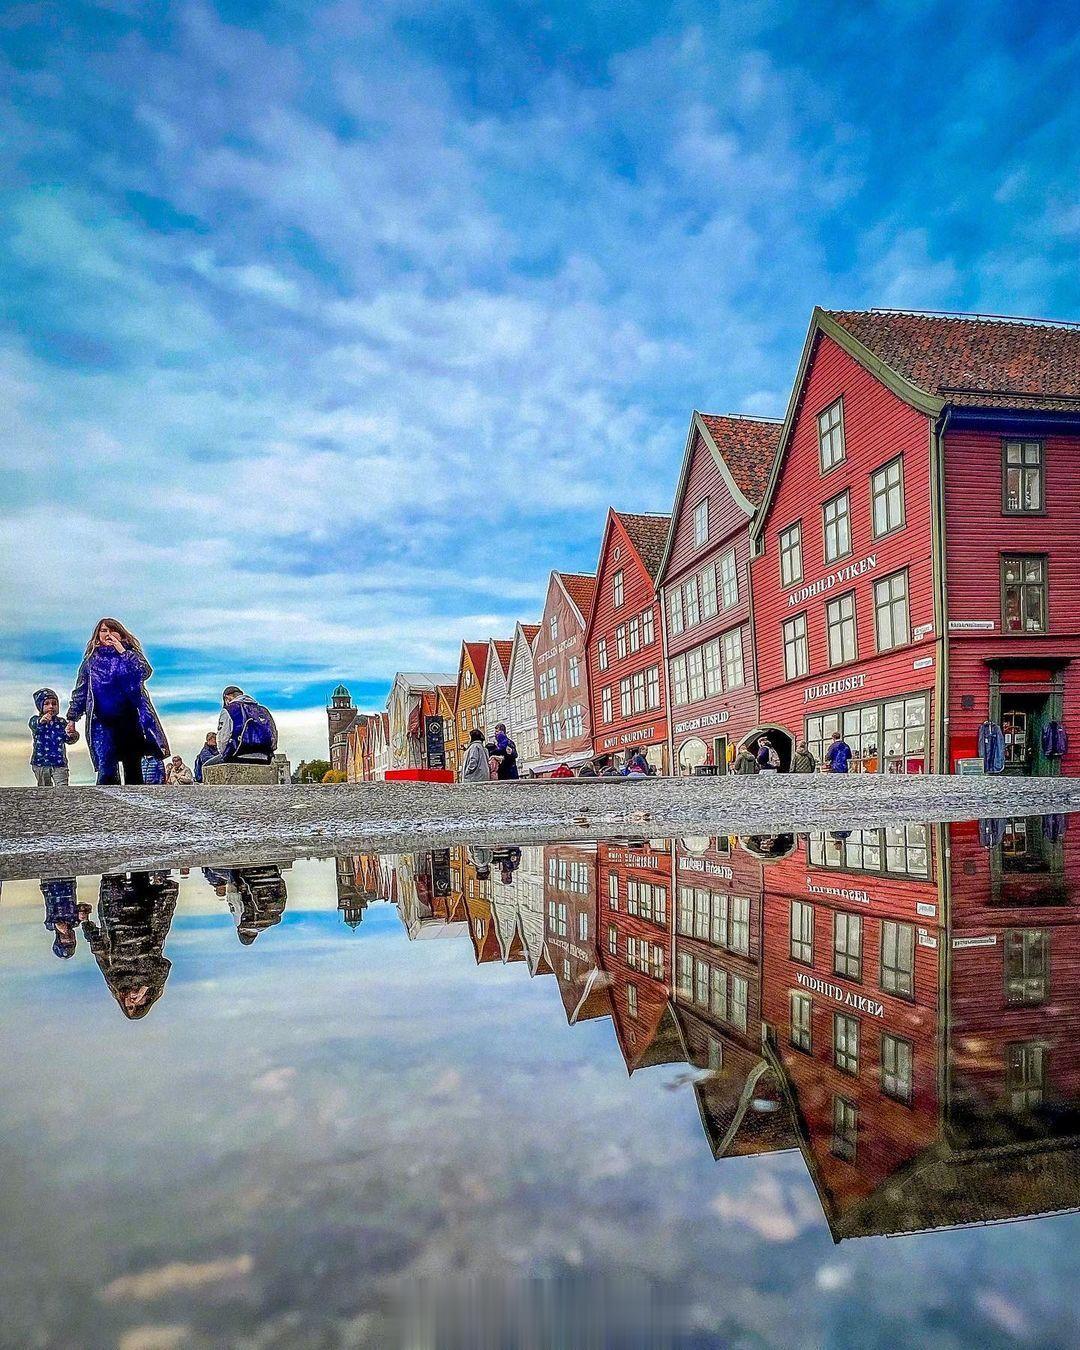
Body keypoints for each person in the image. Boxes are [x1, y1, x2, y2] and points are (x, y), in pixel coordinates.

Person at [66, 618, 168, 786]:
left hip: (130, 719)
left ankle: (134, 806)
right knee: (106, 765)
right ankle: (107, 806)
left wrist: (123, 652)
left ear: (120, 634)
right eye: (104, 631)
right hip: (102, 721)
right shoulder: (90, 662)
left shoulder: (130, 655)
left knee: (133, 766)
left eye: (113, 630)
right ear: (97, 636)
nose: (108, 634)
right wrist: (72, 718)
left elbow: (144, 672)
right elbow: (81, 692)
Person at [82, 872, 177, 1019]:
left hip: (114, 915)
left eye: (130, 1006)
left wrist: (87, 924)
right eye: (139, 1004)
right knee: (140, 870)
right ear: (147, 1001)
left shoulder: (115, 981)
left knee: (112, 873)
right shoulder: (154, 978)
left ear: (123, 1002)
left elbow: (99, 949)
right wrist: (145, 987)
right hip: (145, 913)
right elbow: (165, 966)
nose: (134, 1001)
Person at [208, 686, 278, 765]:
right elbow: (274, 735)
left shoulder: (229, 709)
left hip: (238, 756)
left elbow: (223, 738)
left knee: (206, 766)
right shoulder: (263, 710)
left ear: (227, 697)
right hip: (265, 758)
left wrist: (224, 755)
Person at [28, 688, 79, 786]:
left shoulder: (61, 722)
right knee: (44, 789)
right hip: (40, 763)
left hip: (59, 763)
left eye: (54, 703)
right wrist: (41, 721)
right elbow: (33, 725)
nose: (51, 706)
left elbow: (69, 740)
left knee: (63, 788)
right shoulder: (35, 720)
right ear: (40, 707)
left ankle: (63, 801)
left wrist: (73, 735)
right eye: (46, 704)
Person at [41, 878, 90, 958]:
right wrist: (83, 911)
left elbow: (51, 921)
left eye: (65, 943)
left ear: (58, 941)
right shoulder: (75, 922)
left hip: (50, 885)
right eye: (71, 942)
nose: (68, 940)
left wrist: (57, 924)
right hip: (69, 884)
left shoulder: (51, 926)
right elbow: (84, 906)